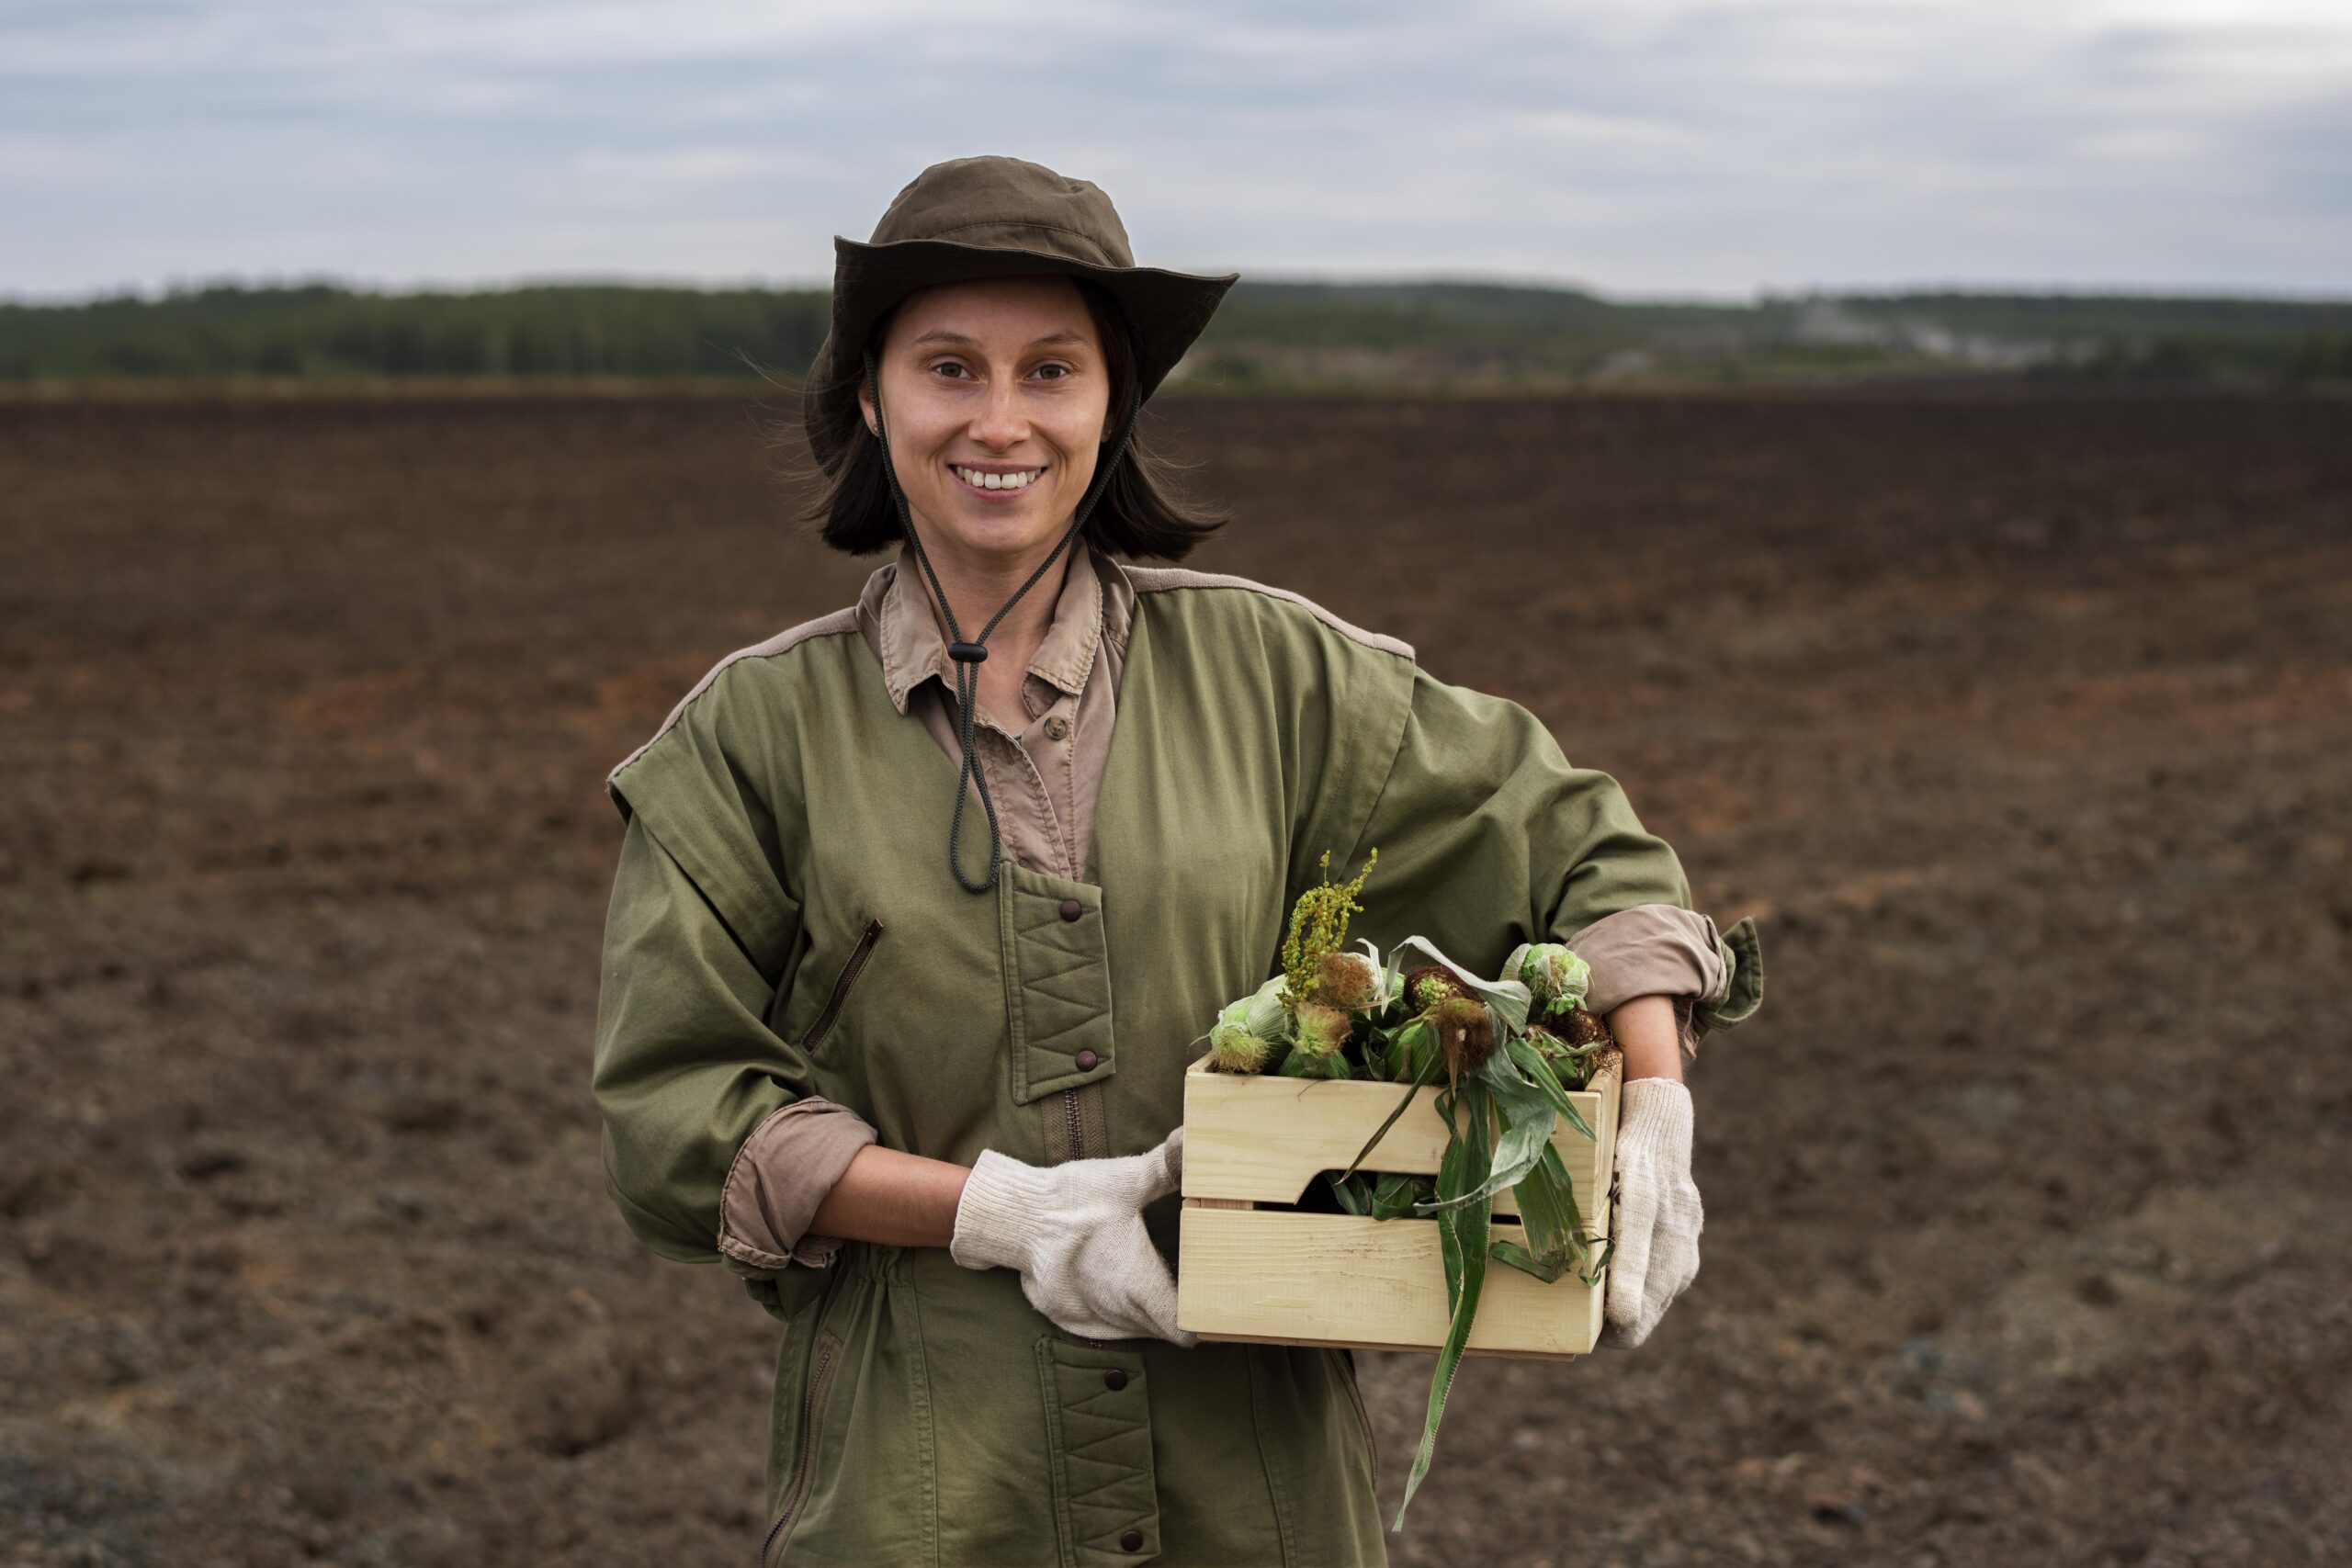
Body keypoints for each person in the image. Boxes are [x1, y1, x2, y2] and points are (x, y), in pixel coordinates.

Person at [590, 154, 1764, 1567]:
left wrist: (1655, 1106)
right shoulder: (751, 740)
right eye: (949, 368)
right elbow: (680, 1113)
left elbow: (1580, 845)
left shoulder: (1276, 676)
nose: (1001, 420)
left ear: (1113, 404)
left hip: (1256, 1496)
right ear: (869, 396)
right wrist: (996, 1215)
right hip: (922, 1494)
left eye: (1052, 372)